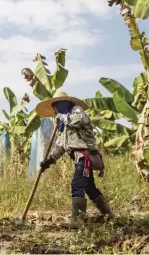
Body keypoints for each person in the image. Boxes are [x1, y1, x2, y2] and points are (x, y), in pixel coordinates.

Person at [36, 91, 113, 226]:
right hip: (79, 158)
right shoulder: (63, 125)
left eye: (56, 107)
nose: (55, 111)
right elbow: (61, 145)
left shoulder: (77, 111)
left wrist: (62, 117)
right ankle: (108, 215)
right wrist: (49, 160)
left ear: (61, 105)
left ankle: (77, 219)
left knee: (77, 184)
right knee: (89, 187)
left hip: (85, 156)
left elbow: (77, 120)